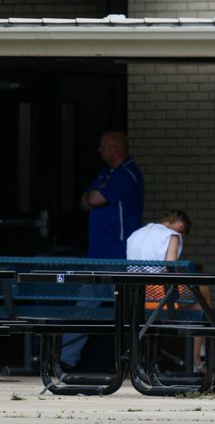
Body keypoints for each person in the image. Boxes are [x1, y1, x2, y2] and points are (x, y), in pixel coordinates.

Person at [60, 130, 144, 371]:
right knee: (86, 307)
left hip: (116, 255)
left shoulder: (127, 173)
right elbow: (84, 200)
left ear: (115, 149)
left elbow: (95, 199)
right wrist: (92, 197)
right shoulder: (107, 173)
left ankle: (134, 361)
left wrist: (93, 197)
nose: (99, 151)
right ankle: (67, 359)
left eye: (102, 147)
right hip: (97, 255)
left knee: (125, 310)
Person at [126, 210, 215, 373]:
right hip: (158, 298)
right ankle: (197, 357)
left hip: (136, 298)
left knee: (197, 306)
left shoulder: (136, 234)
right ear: (180, 227)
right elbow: (171, 272)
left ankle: (199, 350)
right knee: (203, 289)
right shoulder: (172, 235)